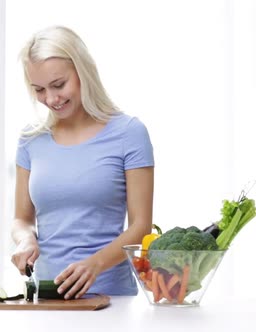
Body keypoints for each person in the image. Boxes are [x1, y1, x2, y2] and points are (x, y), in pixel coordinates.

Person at [10, 25, 154, 299]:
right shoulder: (31, 139)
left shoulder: (129, 133)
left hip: (112, 299)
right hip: (49, 298)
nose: (51, 99)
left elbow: (141, 227)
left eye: (58, 85)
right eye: (39, 89)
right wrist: (25, 239)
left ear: (83, 71)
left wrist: (94, 265)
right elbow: (22, 218)